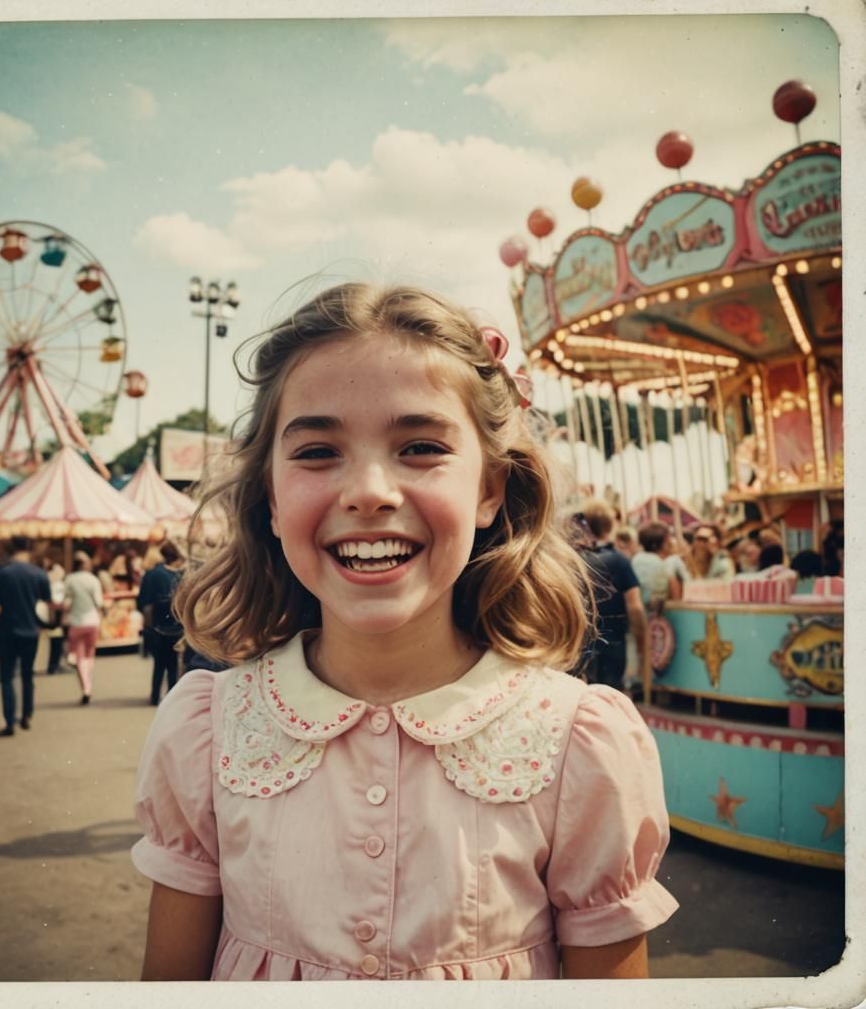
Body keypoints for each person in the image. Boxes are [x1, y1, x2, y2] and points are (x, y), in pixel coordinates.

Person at [131, 282, 677, 981]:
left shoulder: (577, 745)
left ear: (489, 490)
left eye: (419, 446)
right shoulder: (208, 731)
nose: (369, 491)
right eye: (317, 452)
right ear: (269, 497)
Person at [577, 499, 648, 692]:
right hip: (614, 638)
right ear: (610, 526)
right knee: (610, 693)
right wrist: (642, 639)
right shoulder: (620, 561)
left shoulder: (574, 559)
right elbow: (634, 605)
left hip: (579, 639)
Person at [0, 536, 51, 735]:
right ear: (29, 548)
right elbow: (46, 602)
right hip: (31, 631)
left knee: (6, 677)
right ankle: (27, 715)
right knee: (27, 674)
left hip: (7, 630)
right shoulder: (39, 574)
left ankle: (9, 721)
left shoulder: (1, 574)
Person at [137, 536, 186, 706]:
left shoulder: (151, 574)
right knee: (173, 664)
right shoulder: (181, 576)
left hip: (155, 625)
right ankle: (171, 698)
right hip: (177, 626)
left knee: (159, 663)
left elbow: (142, 601)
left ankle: (155, 695)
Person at [62, 551, 106, 705]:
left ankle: (86, 688)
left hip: (76, 622)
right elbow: (99, 602)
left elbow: (65, 601)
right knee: (90, 655)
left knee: (79, 656)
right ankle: (89, 683)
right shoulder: (93, 580)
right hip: (92, 621)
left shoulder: (70, 580)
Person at [631, 521, 682, 614]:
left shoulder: (636, 559)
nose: (672, 541)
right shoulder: (666, 563)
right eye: (669, 538)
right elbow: (676, 599)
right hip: (660, 620)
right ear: (662, 544)